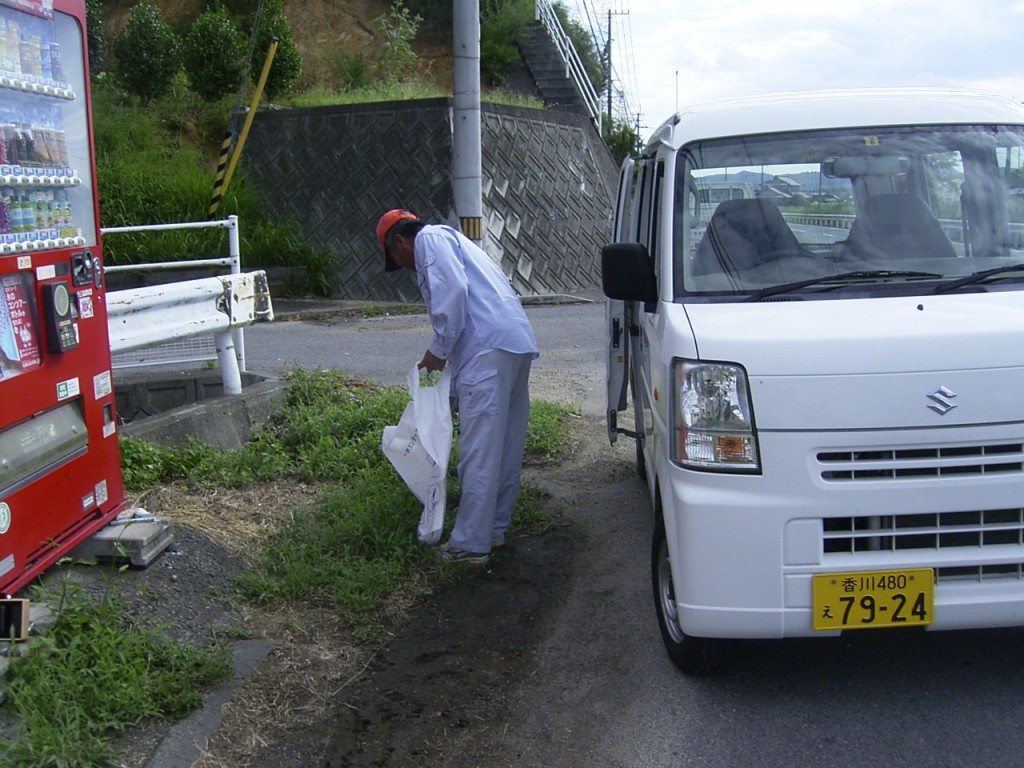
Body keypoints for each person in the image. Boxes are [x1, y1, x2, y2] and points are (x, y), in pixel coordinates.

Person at [375, 209, 539, 565]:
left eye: (396, 259)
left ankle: (470, 544)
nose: (404, 267)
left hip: (486, 350)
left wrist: (437, 350)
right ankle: (493, 530)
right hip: (512, 343)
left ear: (400, 241)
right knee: (505, 448)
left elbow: (454, 293)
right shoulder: (458, 242)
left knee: (479, 452)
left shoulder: (430, 239)